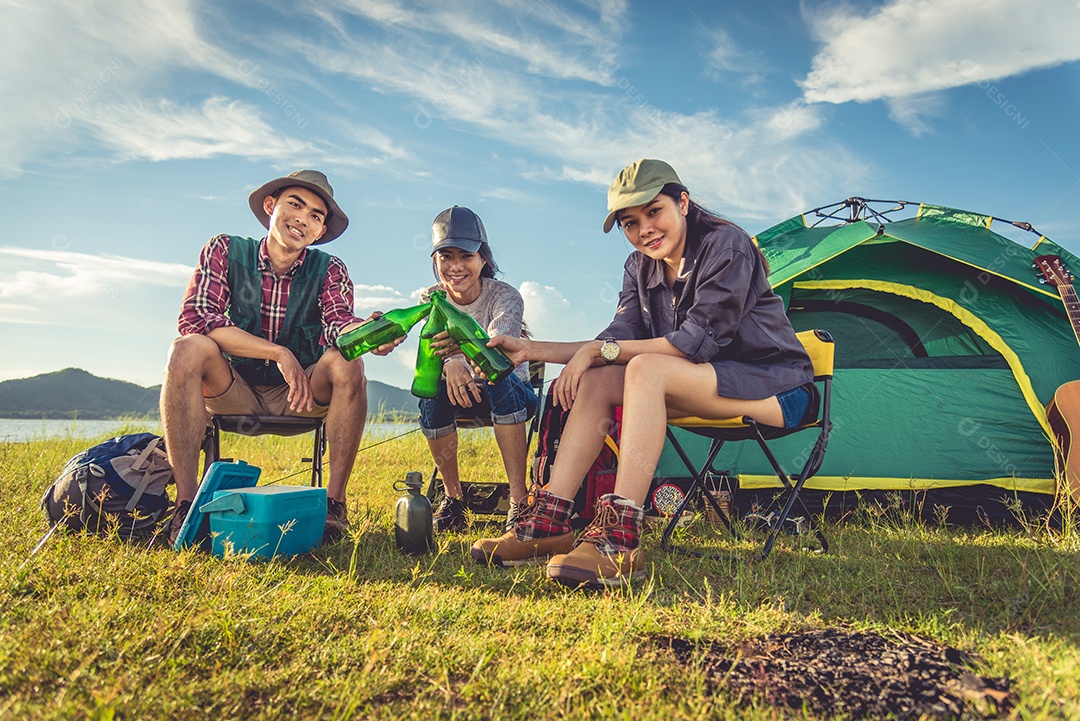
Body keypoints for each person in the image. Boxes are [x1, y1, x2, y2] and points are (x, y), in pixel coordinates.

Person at [470, 159, 816, 588]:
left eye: (654, 212)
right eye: (630, 223)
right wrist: (532, 349)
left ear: (683, 203)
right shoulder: (639, 267)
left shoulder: (727, 245)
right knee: (600, 377)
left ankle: (621, 535)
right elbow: (619, 337)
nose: (644, 229)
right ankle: (551, 522)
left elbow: (693, 342)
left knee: (644, 368)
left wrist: (601, 350)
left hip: (776, 388)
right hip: (703, 382)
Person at [161, 169, 400, 545]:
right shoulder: (224, 249)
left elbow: (339, 324)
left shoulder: (330, 269)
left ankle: (334, 507)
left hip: (300, 396)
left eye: (316, 215)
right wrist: (279, 353)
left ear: (320, 232)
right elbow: (198, 318)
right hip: (232, 388)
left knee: (348, 360)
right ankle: (187, 505)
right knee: (187, 348)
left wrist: (370, 336)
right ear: (271, 206)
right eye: (295, 204)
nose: (303, 218)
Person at [419, 206, 537, 533]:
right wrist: (451, 363)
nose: (456, 267)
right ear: (435, 261)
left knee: (497, 378)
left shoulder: (505, 297)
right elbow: (429, 351)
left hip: (513, 393)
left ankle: (518, 500)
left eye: (466, 256)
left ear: (483, 259)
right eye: (446, 256)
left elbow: (497, 352)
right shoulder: (431, 297)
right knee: (429, 393)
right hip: (459, 395)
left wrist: (455, 353)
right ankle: (453, 501)